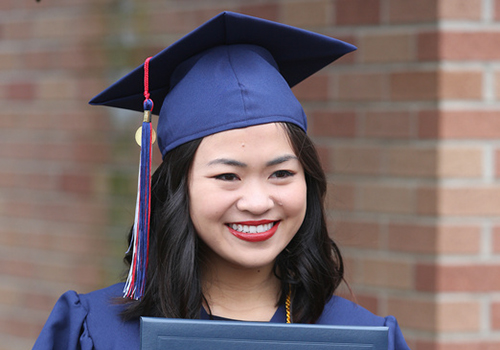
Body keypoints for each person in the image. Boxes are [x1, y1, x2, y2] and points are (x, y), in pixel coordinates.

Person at [33, 11, 410, 350]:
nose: (257, 201)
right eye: (228, 176)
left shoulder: (362, 337)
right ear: (179, 188)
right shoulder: (95, 333)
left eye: (281, 173)